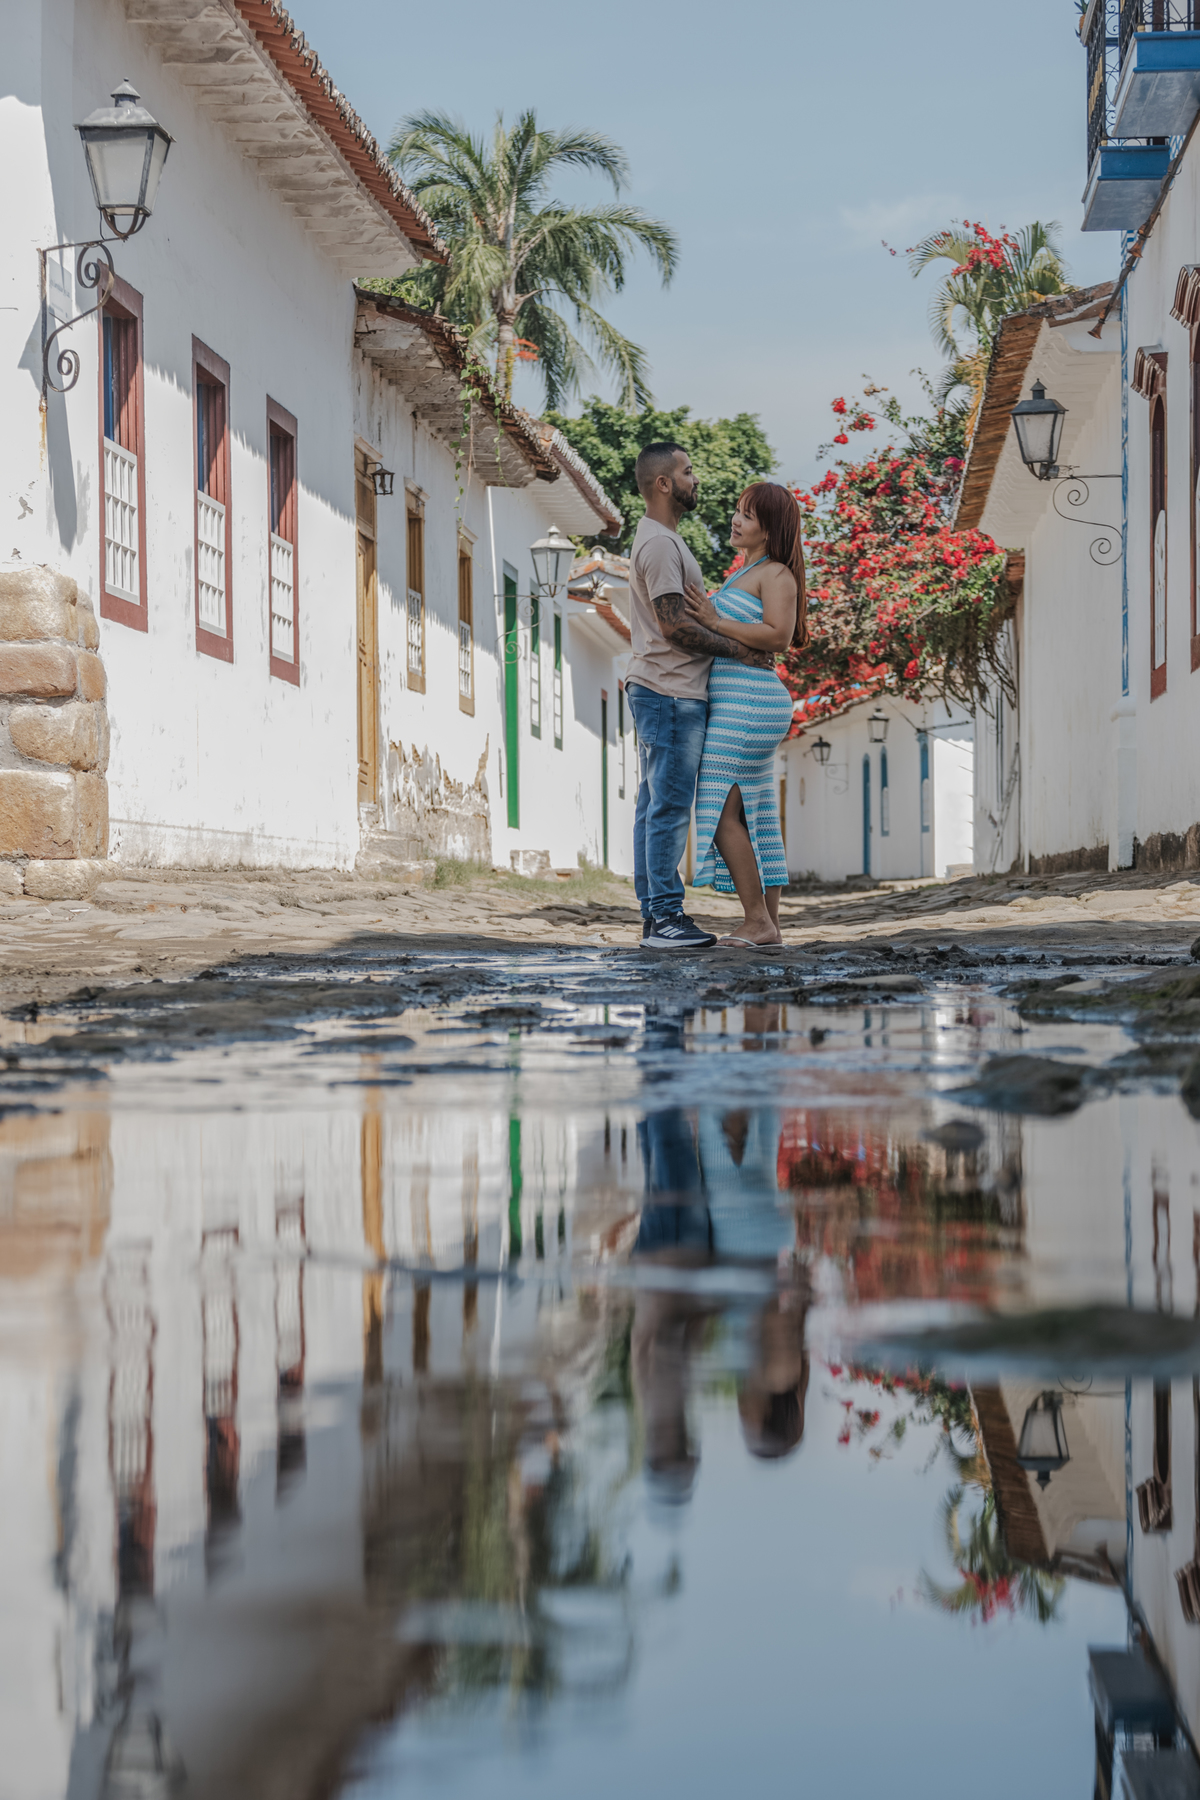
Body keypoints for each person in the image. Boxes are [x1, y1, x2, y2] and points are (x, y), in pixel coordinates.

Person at [625, 444, 778, 951]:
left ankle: (657, 917)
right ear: (665, 483)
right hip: (671, 690)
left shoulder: (665, 541)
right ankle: (666, 918)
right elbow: (675, 627)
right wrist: (741, 649)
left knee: (654, 806)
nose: (696, 479)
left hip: (665, 690)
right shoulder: (663, 546)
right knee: (667, 808)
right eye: (688, 471)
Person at [686, 483, 807, 949]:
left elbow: (778, 636)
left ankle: (757, 920)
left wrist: (714, 621)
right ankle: (769, 925)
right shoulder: (745, 573)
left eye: (748, 516)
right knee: (754, 812)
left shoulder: (776, 573)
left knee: (718, 812)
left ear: (770, 528)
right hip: (741, 699)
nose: (736, 520)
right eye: (737, 511)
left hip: (749, 702)